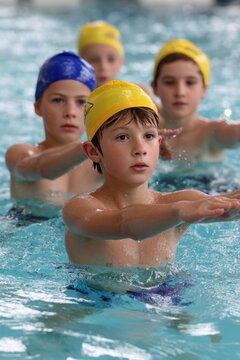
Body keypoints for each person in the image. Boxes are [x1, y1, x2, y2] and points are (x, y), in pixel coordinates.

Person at [63, 80, 240, 269]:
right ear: (93, 151)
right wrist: (178, 211)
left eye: (148, 136)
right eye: (122, 137)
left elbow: (229, 207)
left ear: (159, 142)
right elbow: (124, 223)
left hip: (170, 295)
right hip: (99, 298)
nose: (140, 149)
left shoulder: (182, 201)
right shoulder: (79, 210)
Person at [5, 51, 102, 221]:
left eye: (81, 102)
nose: (70, 112)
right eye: (58, 100)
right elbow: (41, 168)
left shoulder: (104, 161)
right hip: (21, 231)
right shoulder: (19, 154)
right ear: (38, 107)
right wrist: (85, 147)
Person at [151, 38, 240, 163]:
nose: (180, 92)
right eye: (169, 82)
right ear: (155, 87)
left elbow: (235, 131)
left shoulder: (212, 133)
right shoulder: (146, 123)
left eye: (190, 82)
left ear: (203, 89)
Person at [77, 20, 154, 97]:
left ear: (121, 61)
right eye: (94, 60)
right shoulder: (75, 98)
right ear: (81, 64)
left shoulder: (138, 93)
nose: (103, 67)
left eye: (111, 59)